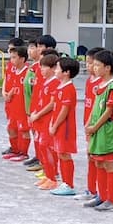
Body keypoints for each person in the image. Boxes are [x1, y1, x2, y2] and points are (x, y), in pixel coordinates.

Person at [83, 49, 113, 212]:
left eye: (97, 65)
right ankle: (102, 196)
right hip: (97, 131)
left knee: (108, 164)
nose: (94, 68)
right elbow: (96, 108)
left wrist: (94, 127)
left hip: (105, 132)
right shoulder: (100, 85)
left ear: (108, 68)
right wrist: (89, 124)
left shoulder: (112, 87)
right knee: (98, 162)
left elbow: (109, 111)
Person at [28, 51, 61, 190]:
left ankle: (53, 177)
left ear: (53, 68)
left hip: (48, 120)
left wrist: (38, 114)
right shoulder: (45, 82)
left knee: (48, 148)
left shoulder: (55, 82)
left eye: (44, 67)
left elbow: (52, 103)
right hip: (40, 119)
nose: (41, 70)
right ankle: (48, 175)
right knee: (42, 147)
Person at [48, 56, 81, 196]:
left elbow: (64, 110)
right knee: (61, 154)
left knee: (65, 154)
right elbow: (56, 106)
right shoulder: (59, 86)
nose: (55, 71)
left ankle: (69, 184)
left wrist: (55, 125)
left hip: (65, 128)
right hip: (58, 125)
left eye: (58, 68)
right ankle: (65, 181)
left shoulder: (69, 88)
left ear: (66, 72)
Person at [79, 46, 106, 201]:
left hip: (96, 126)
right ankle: (91, 189)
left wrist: (92, 125)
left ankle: (99, 192)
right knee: (90, 157)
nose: (89, 66)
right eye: (87, 63)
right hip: (88, 124)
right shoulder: (90, 81)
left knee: (97, 159)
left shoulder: (102, 84)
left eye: (92, 63)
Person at [1, 45, 31, 162]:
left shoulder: (28, 72)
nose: (11, 60)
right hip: (12, 105)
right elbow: (10, 83)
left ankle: (24, 153)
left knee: (24, 130)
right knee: (11, 128)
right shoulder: (14, 70)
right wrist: (6, 93)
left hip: (22, 106)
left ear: (22, 59)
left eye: (14, 57)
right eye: (11, 57)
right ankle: (15, 149)